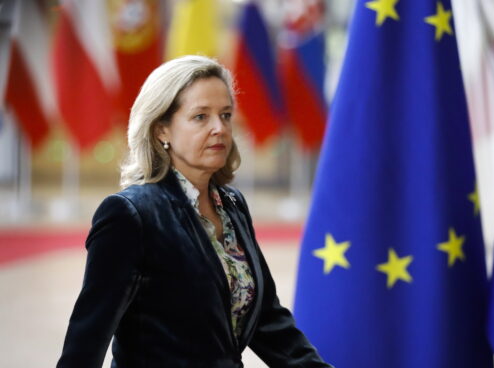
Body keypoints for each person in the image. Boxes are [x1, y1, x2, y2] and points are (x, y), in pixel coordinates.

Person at [56, 55, 332, 368]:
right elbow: (86, 341)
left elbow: (268, 321)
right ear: (162, 130)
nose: (220, 128)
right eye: (201, 117)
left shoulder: (232, 205)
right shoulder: (129, 215)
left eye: (225, 115)